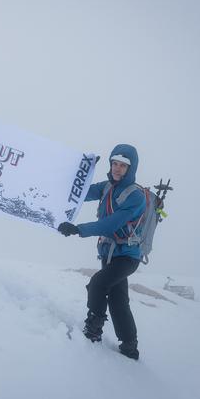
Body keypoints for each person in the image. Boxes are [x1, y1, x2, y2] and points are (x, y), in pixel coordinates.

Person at [57, 144, 145, 360]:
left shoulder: (136, 196)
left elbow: (110, 224)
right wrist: (85, 172)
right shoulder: (107, 187)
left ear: (130, 168)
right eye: (114, 163)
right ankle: (129, 346)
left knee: (98, 283)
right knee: (117, 299)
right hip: (110, 254)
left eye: (123, 165)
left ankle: (93, 331)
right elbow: (81, 192)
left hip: (127, 256)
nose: (117, 168)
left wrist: (78, 229)